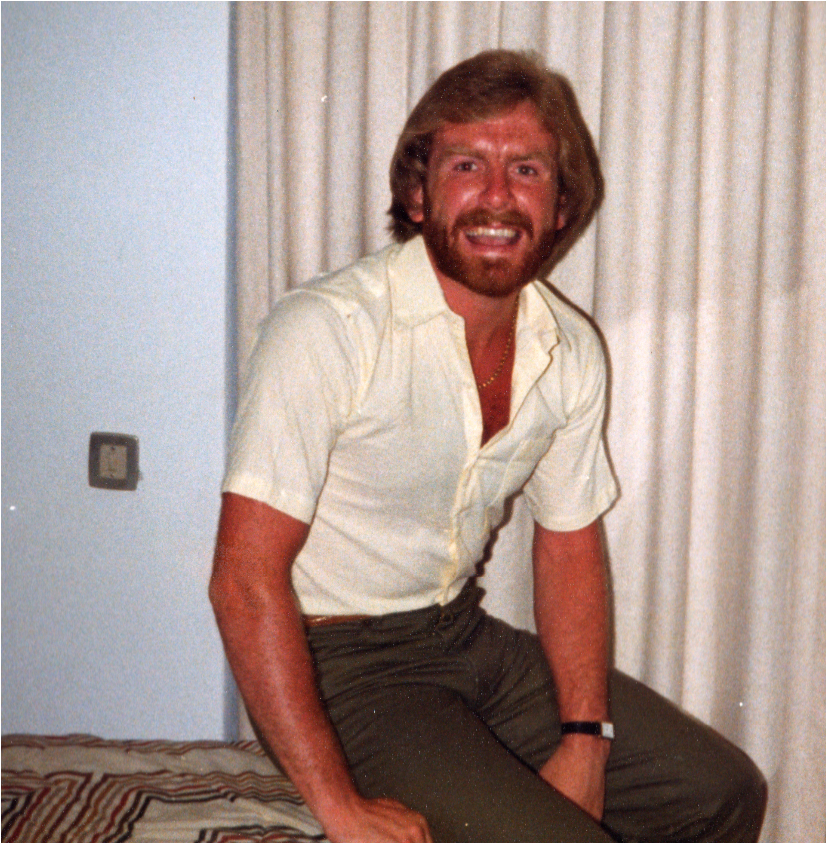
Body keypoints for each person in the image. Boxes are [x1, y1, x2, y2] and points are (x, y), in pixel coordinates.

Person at [210, 49, 767, 843]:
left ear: (562, 205)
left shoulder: (568, 348)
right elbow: (243, 582)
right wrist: (339, 806)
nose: (498, 196)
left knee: (722, 793)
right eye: (468, 164)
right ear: (417, 193)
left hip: (463, 639)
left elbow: (569, 544)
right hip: (341, 669)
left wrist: (585, 742)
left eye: (527, 169)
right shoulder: (327, 331)